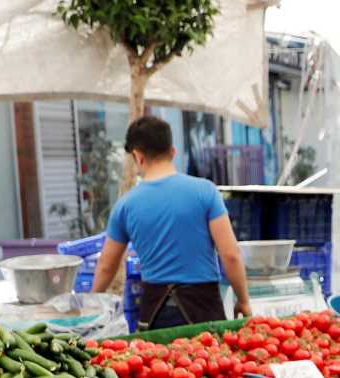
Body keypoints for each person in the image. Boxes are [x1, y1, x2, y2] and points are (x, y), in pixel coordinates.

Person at [92, 115, 251, 329]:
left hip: (155, 315)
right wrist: (243, 300)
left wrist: (91, 306)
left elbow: (106, 266)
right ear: (173, 152)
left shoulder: (125, 205)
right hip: (204, 310)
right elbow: (230, 255)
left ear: (138, 156)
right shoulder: (205, 191)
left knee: (160, 353)